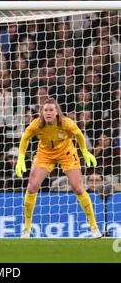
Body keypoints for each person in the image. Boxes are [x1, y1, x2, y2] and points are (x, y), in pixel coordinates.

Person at [15, 98, 102, 238]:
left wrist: (85, 152)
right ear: (42, 112)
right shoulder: (37, 124)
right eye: (45, 110)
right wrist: (20, 157)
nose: (48, 113)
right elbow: (25, 138)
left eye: (51, 110)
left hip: (66, 154)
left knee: (78, 188)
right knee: (32, 187)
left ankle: (94, 227)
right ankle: (27, 227)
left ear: (56, 112)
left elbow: (79, 134)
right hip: (45, 154)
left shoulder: (66, 123)